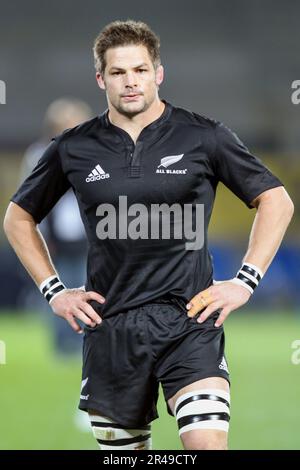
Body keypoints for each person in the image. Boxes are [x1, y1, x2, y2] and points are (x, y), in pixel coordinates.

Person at [3, 20, 294, 451]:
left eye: (140, 70)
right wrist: (54, 291)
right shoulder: (72, 147)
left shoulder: (204, 135)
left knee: (207, 446)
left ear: (159, 73)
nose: (131, 82)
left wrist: (244, 281)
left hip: (190, 322)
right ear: (101, 78)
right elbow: (18, 217)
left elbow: (276, 201)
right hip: (111, 327)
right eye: (118, 73)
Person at [20, 97, 91, 356]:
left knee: (88, 285)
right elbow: (30, 201)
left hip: (87, 233)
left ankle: (86, 340)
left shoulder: (92, 151)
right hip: (56, 234)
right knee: (60, 287)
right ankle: (64, 343)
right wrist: (42, 235)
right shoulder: (40, 154)